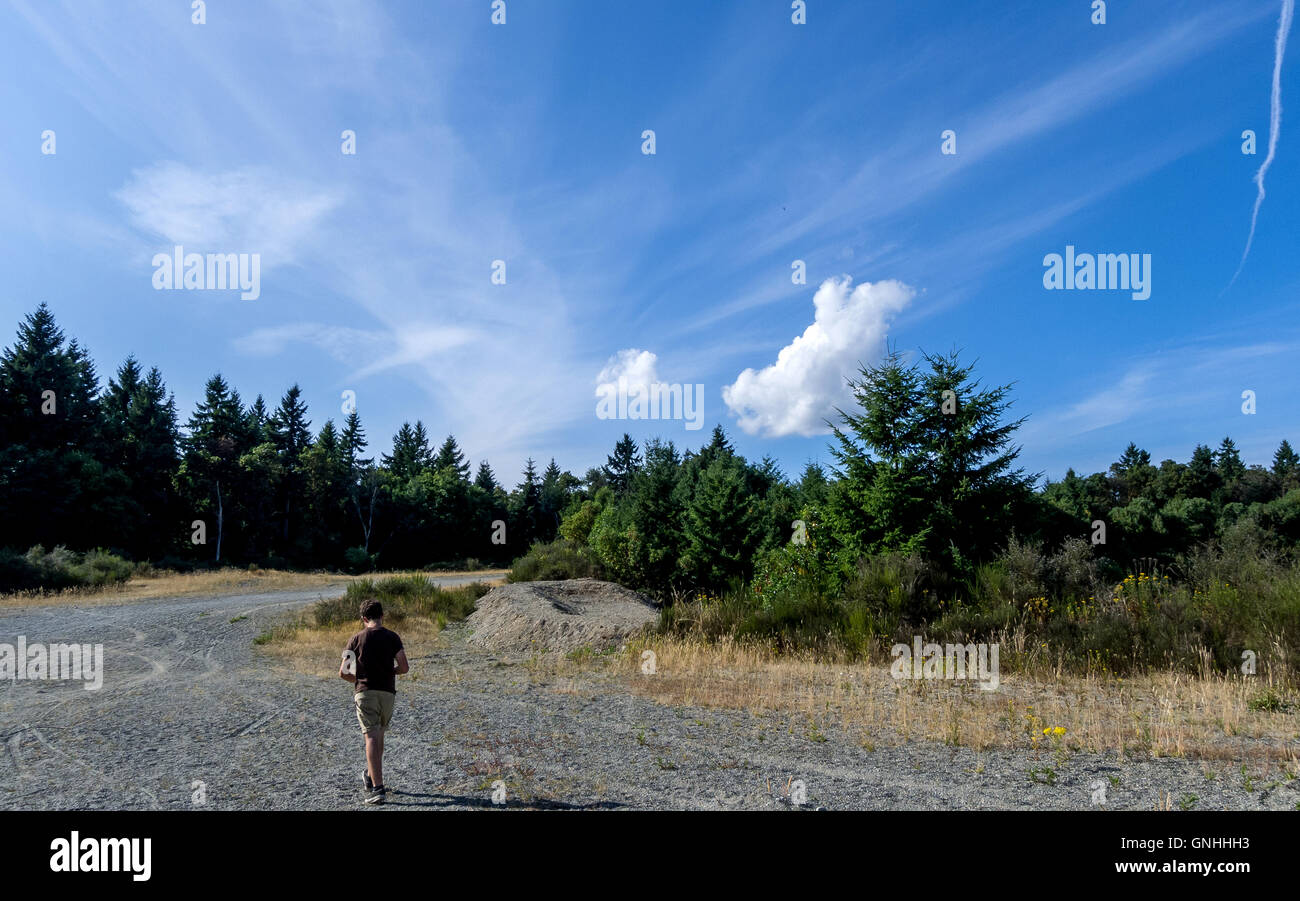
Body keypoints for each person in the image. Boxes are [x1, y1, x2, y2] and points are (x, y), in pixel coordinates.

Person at [339, 599, 409, 805]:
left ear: (363, 618)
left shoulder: (355, 639)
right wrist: (391, 672)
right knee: (379, 736)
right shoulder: (393, 637)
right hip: (387, 692)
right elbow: (404, 667)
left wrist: (357, 679)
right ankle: (370, 776)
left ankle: (377, 788)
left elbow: (343, 672)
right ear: (382, 616)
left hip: (365, 692)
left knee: (370, 737)